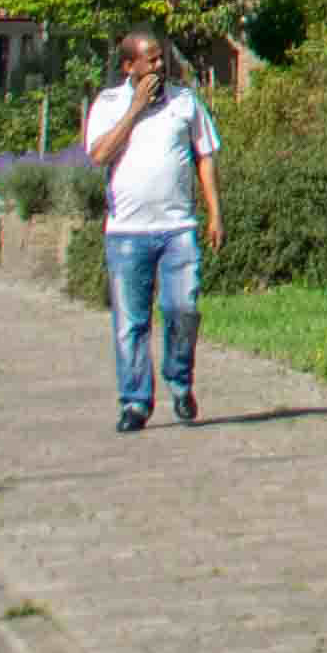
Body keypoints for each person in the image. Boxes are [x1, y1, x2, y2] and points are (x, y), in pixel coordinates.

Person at [78, 32, 223, 433]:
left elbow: (205, 156)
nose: (160, 66)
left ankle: (179, 380)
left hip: (178, 228)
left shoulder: (185, 102)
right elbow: (98, 155)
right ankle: (135, 402)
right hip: (126, 232)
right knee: (130, 322)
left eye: (162, 59)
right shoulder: (108, 105)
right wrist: (136, 109)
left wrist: (215, 213)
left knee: (183, 310)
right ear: (129, 67)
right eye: (151, 61)